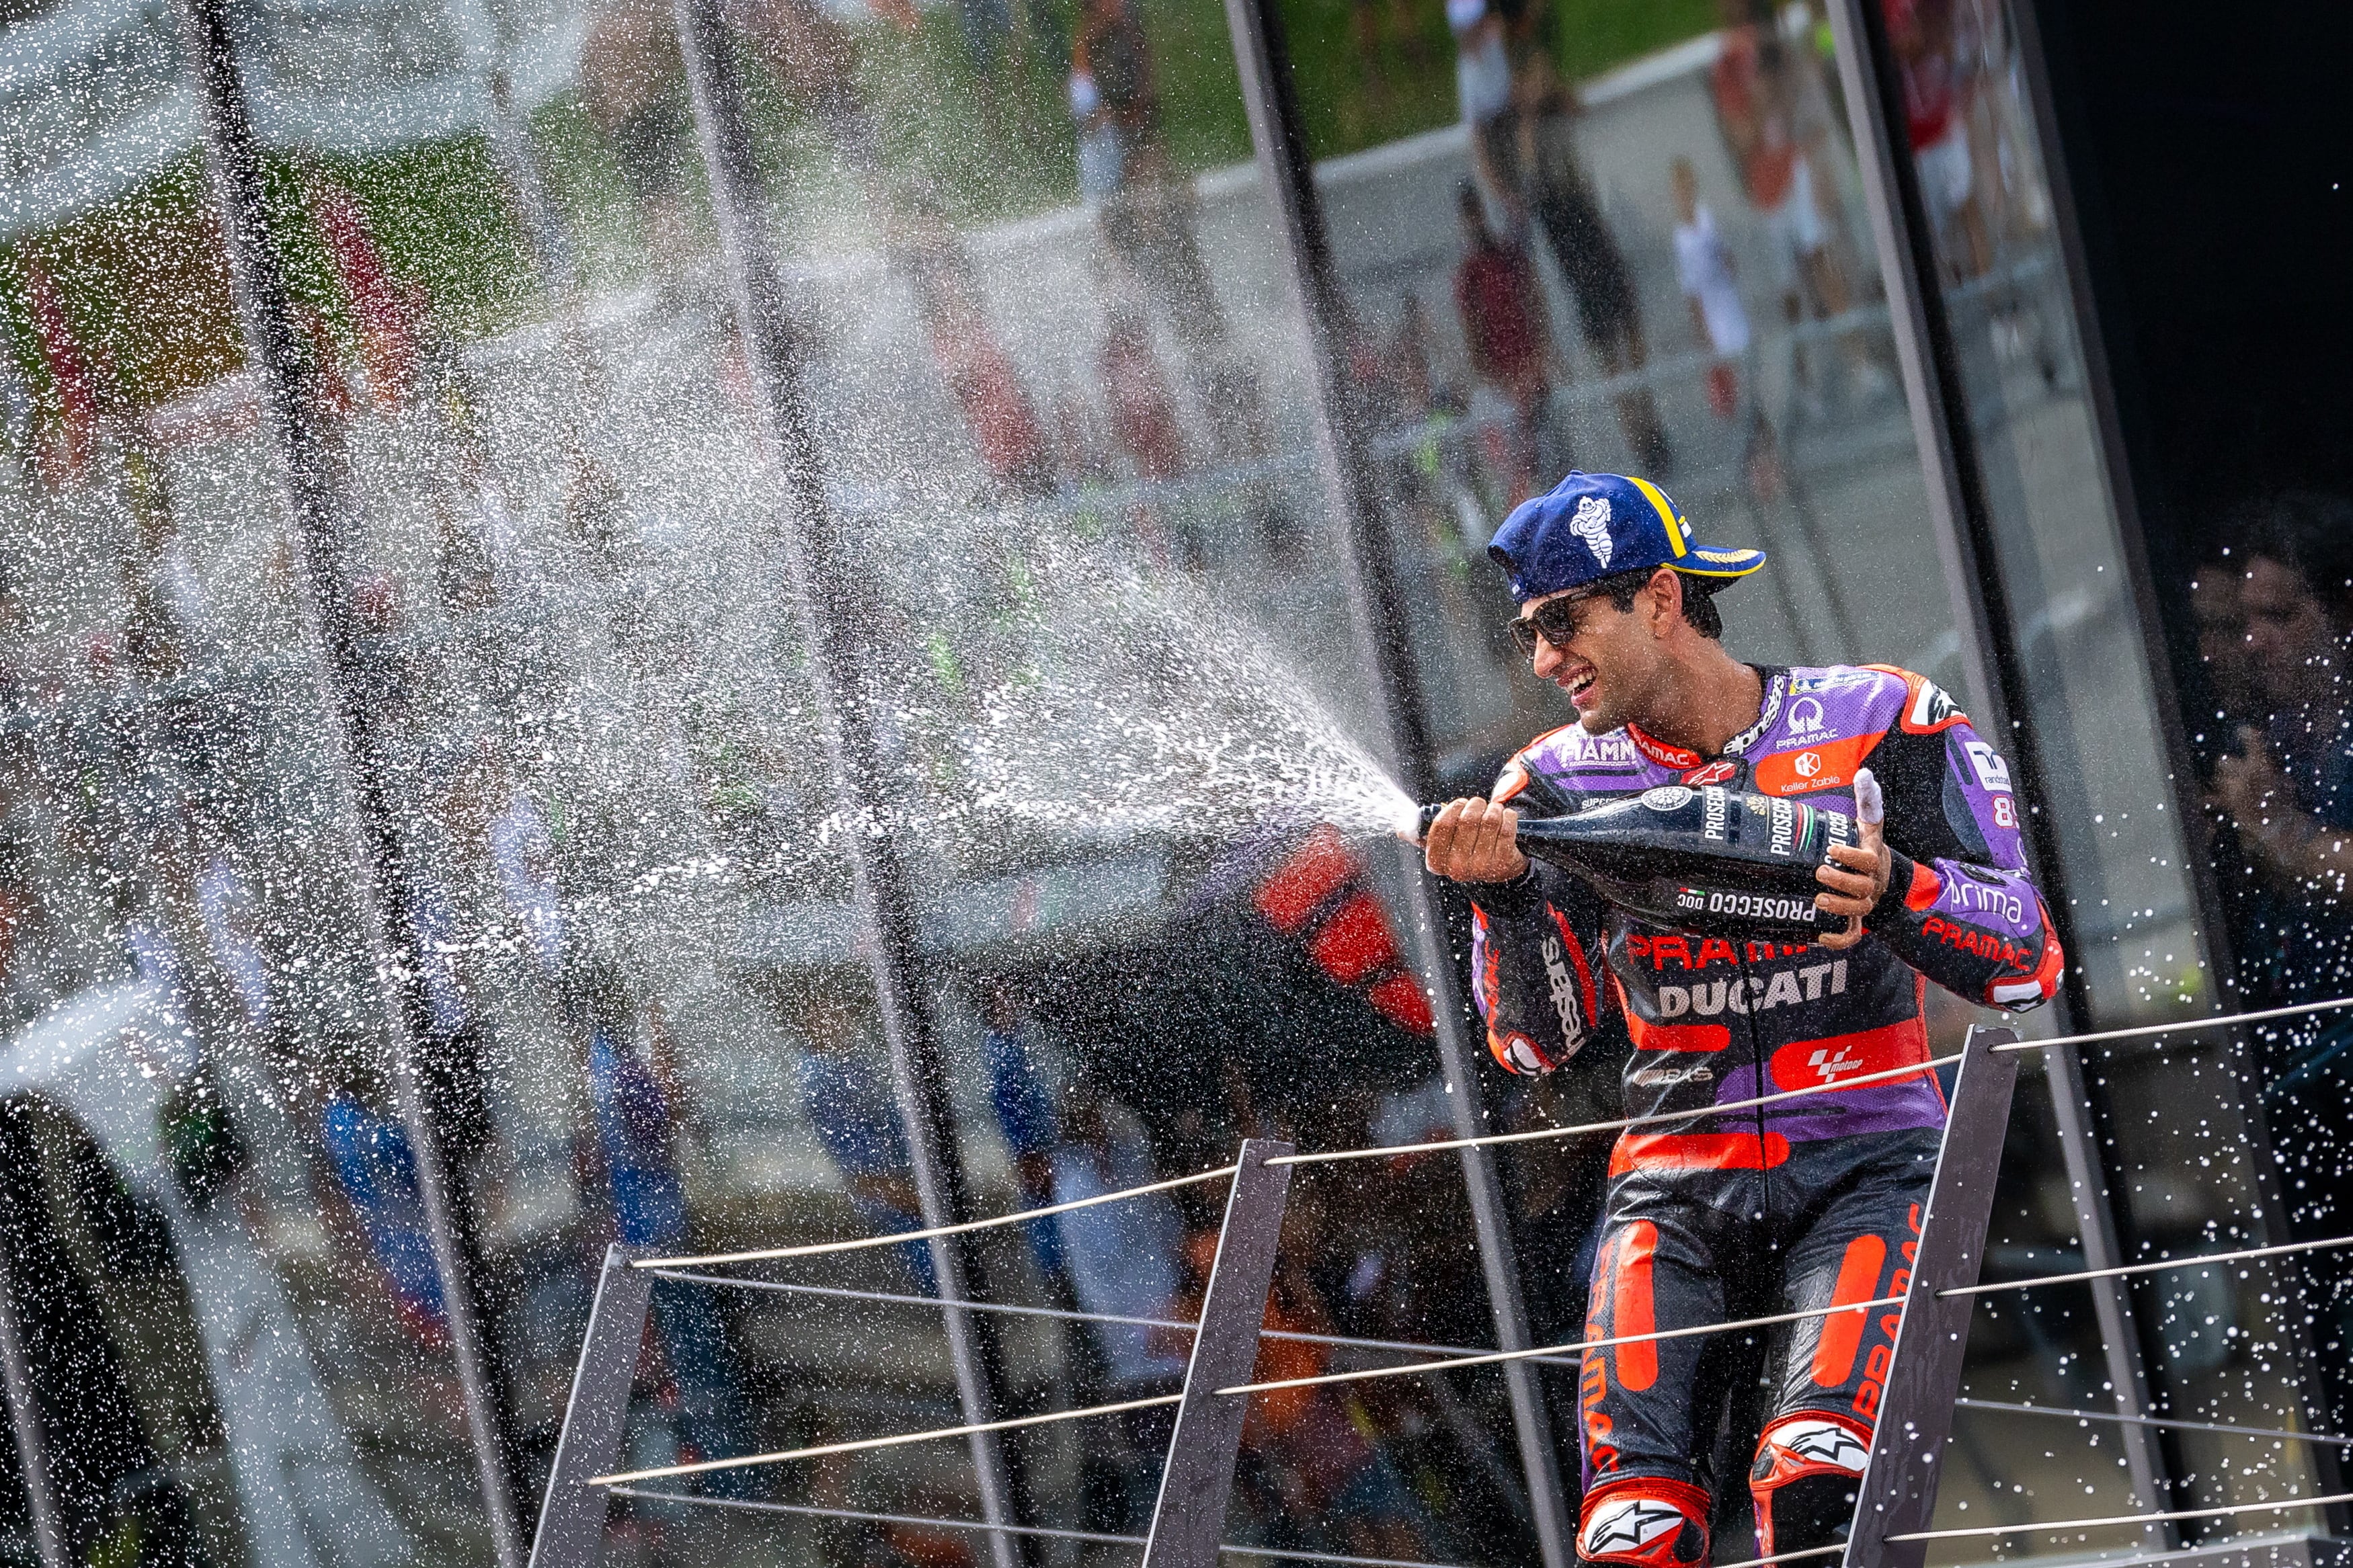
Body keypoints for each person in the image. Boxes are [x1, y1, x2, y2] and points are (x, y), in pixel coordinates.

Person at [1421, 470, 2062, 1565]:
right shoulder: (1552, 784)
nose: (1541, 659)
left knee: (1818, 1485)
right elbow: (1535, 1042)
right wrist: (1507, 899)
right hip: (1669, 1184)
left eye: (1563, 622)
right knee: (1633, 1531)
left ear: (1660, 601)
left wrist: (1898, 889)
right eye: (1531, 632)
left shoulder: (1886, 716)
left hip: (1867, 1159)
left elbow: (2029, 952)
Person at [1451, 181, 1554, 506]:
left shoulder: (1511, 257)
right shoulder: (1468, 276)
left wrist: (1537, 366)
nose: (1476, 222)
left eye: (1478, 213)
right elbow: (1474, 347)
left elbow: (1537, 307)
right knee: (1520, 478)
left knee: (1555, 466)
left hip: (1535, 382)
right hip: (1505, 394)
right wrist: (1508, 386)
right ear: (1463, 223)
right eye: (1469, 217)